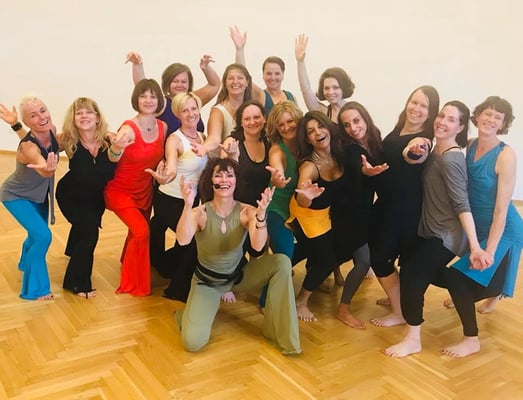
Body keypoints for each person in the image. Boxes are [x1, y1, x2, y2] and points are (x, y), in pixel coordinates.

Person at [382, 101, 491, 357]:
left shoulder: (451, 159)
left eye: (451, 120)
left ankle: (413, 339)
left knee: (412, 275)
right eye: (442, 115)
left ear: (460, 127)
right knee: (439, 276)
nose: (442, 122)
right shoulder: (434, 150)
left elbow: (462, 203)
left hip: (447, 235)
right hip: (430, 230)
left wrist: (474, 246)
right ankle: (474, 293)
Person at [174, 157, 301, 355]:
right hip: (207, 283)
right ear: (211, 181)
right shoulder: (200, 213)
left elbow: (258, 246)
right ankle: (186, 314)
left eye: (229, 175)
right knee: (192, 343)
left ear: (236, 181)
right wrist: (187, 204)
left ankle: (277, 332)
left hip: (238, 277)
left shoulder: (246, 211)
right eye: (218, 175)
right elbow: (182, 240)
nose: (224, 180)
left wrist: (261, 216)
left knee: (282, 262)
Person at [442, 96, 523, 358]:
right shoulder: (470, 144)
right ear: (477, 116)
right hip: (478, 224)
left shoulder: (506, 155)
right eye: (487, 113)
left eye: (498, 117)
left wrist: (490, 250)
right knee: (472, 274)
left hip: (505, 228)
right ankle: (489, 296)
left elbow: (501, 211)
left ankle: (472, 339)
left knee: (462, 277)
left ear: (503, 124)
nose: (491, 120)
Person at [369, 85, 440, 327]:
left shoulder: (422, 139)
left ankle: (400, 312)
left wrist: (414, 151)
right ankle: (397, 300)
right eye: (414, 102)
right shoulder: (400, 128)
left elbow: (414, 153)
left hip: (404, 210)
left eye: (424, 106)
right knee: (384, 256)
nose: (416, 108)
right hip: (388, 205)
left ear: (431, 113)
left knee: (380, 258)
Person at [104, 79, 167, 296]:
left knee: (135, 232)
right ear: (136, 100)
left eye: (153, 96)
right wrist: (115, 147)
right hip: (120, 190)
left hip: (144, 190)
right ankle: (132, 283)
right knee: (141, 232)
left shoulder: (162, 127)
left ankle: (128, 262)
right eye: (143, 96)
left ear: (159, 100)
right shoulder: (128, 128)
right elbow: (113, 158)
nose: (148, 100)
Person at [56, 97, 122, 298]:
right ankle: (77, 283)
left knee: (84, 227)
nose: (84, 116)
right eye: (79, 113)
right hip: (70, 195)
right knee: (89, 236)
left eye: (88, 112)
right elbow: (36, 143)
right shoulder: (67, 140)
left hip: (94, 198)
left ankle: (72, 250)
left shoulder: (110, 140)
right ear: (73, 118)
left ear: (97, 117)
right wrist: (17, 126)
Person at [287, 111, 346, 322]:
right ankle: (301, 302)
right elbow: (302, 196)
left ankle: (276, 267)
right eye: (311, 131)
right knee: (327, 260)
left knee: (309, 249)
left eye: (320, 126)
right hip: (305, 214)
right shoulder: (309, 166)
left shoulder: (337, 153)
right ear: (307, 139)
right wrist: (306, 195)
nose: (317, 132)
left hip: (323, 214)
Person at [334, 101, 388, 329]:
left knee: (370, 256)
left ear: (365, 118)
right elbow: (359, 167)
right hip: (347, 212)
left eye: (356, 121)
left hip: (365, 210)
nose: (353, 128)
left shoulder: (376, 139)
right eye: (346, 125)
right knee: (364, 261)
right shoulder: (349, 149)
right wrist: (366, 171)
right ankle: (343, 309)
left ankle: (393, 295)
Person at [149, 92, 208, 302]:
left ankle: (165, 265)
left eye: (193, 108)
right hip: (169, 200)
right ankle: (177, 291)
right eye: (185, 110)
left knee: (193, 240)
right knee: (191, 241)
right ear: (178, 114)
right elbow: (172, 167)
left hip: (190, 200)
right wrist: (165, 177)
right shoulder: (175, 139)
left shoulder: (202, 137)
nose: (190, 114)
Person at [0, 97, 59, 300]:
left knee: (36, 233)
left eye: (43, 110)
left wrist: (16, 124)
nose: (41, 117)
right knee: (43, 236)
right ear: (27, 121)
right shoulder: (28, 148)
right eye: (33, 115)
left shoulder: (51, 132)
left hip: (38, 195)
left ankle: (25, 263)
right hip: (15, 196)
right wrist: (47, 170)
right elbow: (41, 165)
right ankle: (35, 289)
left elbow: (35, 137)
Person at [125, 51, 220, 136]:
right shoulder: (162, 103)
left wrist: (205, 68)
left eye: (183, 82)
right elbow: (143, 87)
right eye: (175, 81)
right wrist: (137, 65)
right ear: (167, 83)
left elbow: (214, 85)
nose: (180, 85)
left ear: (189, 83)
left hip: (198, 149)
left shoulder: (194, 99)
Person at [229, 25, 297, 114]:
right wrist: (239, 50)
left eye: (277, 73)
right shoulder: (261, 95)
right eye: (269, 73)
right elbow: (243, 74)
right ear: (263, 75)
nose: (273, 77)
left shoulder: (291, 96)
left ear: (283, 75)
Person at [194, 64, 253, 158]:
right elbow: (214, 137)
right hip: (226, 161)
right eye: (231, 78)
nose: (235, 82)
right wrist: (205, 147)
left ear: (247, 82)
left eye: (240, 78)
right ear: (225, 83)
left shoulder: (253, 108)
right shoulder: (218, 111)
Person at [294, 34, 355, 123]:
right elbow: (306, 90)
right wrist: (300, 61)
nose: (330, 92)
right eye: (326, 88)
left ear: (343, 87)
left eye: (335, 87)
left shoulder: (356, 111)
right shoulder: (323, 112)